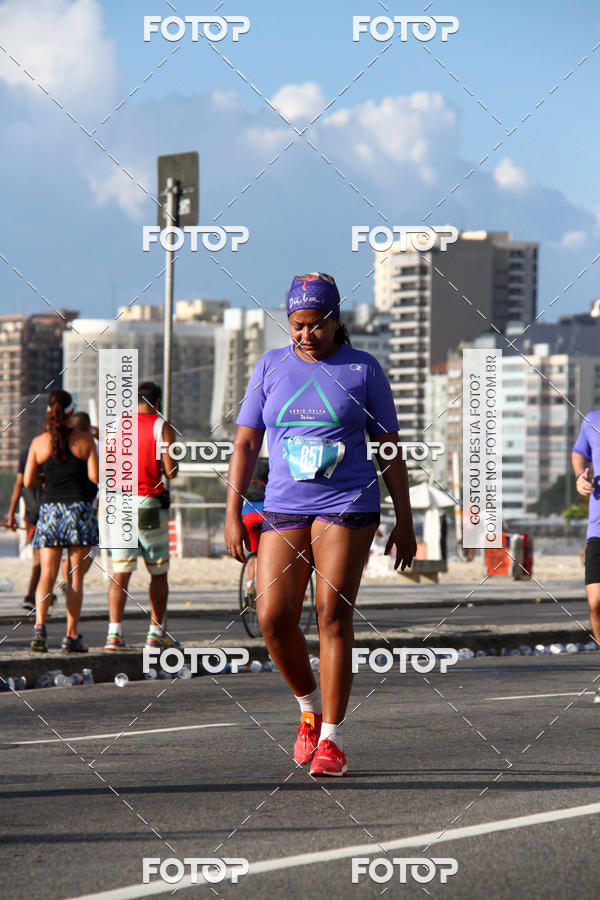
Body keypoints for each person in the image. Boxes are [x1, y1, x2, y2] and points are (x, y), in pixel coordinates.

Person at [225, 272, 416, 776]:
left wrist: (405, 518)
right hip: (284, 503)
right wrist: (232, 511)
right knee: (271, 617)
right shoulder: (270, 367)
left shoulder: (363, 369)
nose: (305, 336)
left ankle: (331, 739)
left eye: (315, 326)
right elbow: (246, 443)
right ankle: (309, 707)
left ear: (334, 322)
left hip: (348, 502)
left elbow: (389, 449)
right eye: (296, 326)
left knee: (332, 614)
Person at [104, 381, 179, 651]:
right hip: (149, 503)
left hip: (119, 503)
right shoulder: (162, 426)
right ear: (157, 402)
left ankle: (114, 634)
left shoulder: (115, 427)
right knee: (158, 572)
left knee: (120, 573)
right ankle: (155, 632)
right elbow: (170, 471)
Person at [24, 390, 99, 653]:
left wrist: (47, 480)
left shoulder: (39, 442)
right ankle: (71, 635)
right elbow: (95, 478)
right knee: (75, 578)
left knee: (47, 573)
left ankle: (40, 629)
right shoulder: (85, 440)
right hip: (78, 510)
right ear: (71, 411)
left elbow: (28, 481)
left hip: (50, 511)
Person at [572, 415, 600, 702]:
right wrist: (580, 476)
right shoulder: (593, 421)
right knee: (595, 602)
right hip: (598, 529)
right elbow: (579, 453)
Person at [7, 426, 46, 611]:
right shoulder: (54, 451)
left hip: (32, 512)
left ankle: (38, 594)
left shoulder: (26, 453)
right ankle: (32, 595)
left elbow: (19, 484)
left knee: (43, 558)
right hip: (46, 511)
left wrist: (11, 514)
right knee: (43, 559)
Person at [59, 411, 98, 592]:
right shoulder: (92, 444)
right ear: (88, 427)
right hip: (86, 505)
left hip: (59, 506)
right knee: (87, 552)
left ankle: (68, 583)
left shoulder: (60, 444)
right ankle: (74, 582)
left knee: (66, 553)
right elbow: (96, 476)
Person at [240, 457, 269, 600]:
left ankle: (249, 587)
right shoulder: (270, 485)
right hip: (265, 515)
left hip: (247, 517)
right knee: (271, 555)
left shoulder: (247, 485)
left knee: (254, 555)